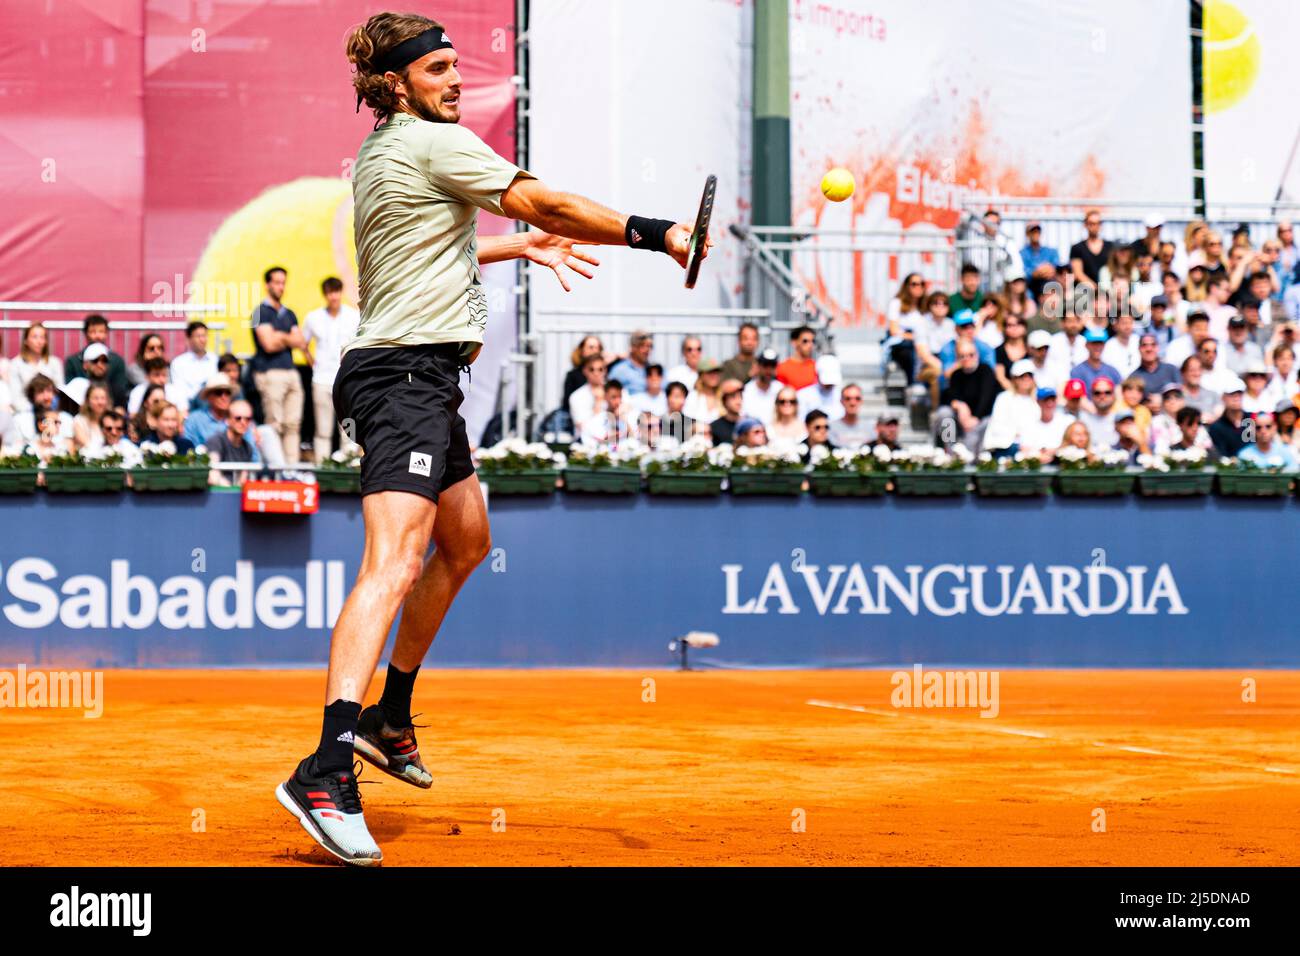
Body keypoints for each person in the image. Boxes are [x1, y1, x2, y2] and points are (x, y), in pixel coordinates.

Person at [277, 10, 704, 867]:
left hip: (422, 379)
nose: (454, 79)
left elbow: (430, 251)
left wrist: (522, 247)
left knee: (465, 543)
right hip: (402, 378)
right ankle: (325, 765)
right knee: (394, 563)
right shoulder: (438, 144)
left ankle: (390, 714)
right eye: (437, 69)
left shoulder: (383, 152)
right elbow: (545, 194)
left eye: (454, 66)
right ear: (396, 83)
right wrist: (656, 234)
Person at [250, 266, 307, 465]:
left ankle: (291, 470)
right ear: (267, 284)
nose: (281, 287)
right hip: (269, 372)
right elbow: (268, 344)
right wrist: (286, 337)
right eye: (277, 282)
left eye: (283, 282)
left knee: (293, 425)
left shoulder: (289, 313)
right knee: (274, 424)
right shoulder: (259, 312)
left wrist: (279, 336)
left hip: (291, 372)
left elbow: (300, 341)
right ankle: (276, 471)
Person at [303, 277, 362, 462]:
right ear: (325, 294)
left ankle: (351, 463)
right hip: (321, 379)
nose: (334, 296)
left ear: (340, 292)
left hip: (346, 379)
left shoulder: (353, 316)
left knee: (349, 425)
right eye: (330, 292)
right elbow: (303, 344)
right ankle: (323, 466)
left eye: (336, 292)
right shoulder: (314, 317)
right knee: (322, 428)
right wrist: (313, 363)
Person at [934, 341, 998, 452]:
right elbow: (950, 397)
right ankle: (949, 452)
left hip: (981, 419)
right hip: (961, 419)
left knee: (969, 448)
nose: (967, 358)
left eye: (970, 355)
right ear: (957, 358)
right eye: (962, 356)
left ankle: (969, 457)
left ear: (977, 355)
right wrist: (960, 405)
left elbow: (986, 398)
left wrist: (975, 418)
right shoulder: (956, 375)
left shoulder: (985, 371)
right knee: (944, 413)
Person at [63, 314, 129, 402]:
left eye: (101, 331)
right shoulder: (73, 361)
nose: (97, 336)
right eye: (93, 332)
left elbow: (120, 391)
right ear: (85, 364)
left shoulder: (117, 361)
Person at [982, 360, 1039, 455]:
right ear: (1014, 379)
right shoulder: (1004, 398)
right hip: (1005, 448)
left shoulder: (1036, 402)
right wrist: (1019, 439)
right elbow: (997, 426)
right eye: (1022, 376)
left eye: (1029, 375)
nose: (1026, 379)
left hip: (1029, 449)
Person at [7, 323, 64, 413]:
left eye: (42, 337)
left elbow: (59, 391)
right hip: (25, 412)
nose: (39, 341)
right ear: (25, 340)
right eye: (35, 337)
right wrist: (33, 410)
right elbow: (16, 397)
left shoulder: (54, 362)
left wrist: (50, 409)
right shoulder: (16, 364)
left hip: (51, 411)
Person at [205, 398, 262, 483]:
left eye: (248, 419)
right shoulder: (216, 441)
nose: (243, 422)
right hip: (218, 493)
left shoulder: (248, 447)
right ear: (227, 420)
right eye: (238, 418)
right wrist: (231, 489)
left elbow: (242, 481)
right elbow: (213, 476)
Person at [885, 273, 927, 384]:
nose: (918, 287)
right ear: (906, 286)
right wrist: (915, 337)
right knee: (910, 351)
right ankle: (913, 383)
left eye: (921, 284)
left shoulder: (925, 306)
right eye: (914, 284)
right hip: (902, 345)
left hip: (923, 344)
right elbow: (894, 330)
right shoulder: (896, 303)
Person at [14, 374, 75, 448]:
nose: (46, 397)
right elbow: (16, 449)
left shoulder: (66, 418)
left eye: (49, 391)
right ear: (32, 395)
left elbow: (70, 450)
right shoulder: (20, 420)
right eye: (40, 391)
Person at [170, 321, 219, 408]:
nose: (202, 340)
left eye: (204, 336)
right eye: (198, 336)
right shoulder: (178, 363)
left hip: (212, 404)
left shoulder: (215, 360)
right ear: (189, 339)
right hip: (189, 405)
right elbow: (179, 391)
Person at [1021, 387, 1073, 460]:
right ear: (1038, 402)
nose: (1050, 403)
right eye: (1046, 400)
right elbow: (1024, 450)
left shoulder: (1068, 420)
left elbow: (1073, 445)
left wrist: (1048, 452)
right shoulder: (1029, 424)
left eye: (1053, 399)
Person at [580, 380, 637, 447]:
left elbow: (635, 440)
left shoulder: (629, 417)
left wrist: (624, 420)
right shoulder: (597, 419)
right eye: (613, 397)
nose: (617, 401)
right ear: (605, 397)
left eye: (620, 397)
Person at [1069, 209, 1113, 287]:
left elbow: (1113, 269)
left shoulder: (1110, 246)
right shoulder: (1077, 248)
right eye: (1091, 223)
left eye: (1098, 223)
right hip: (1085, 291)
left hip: (1107, 291)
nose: (1095, 226)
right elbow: (1078, 273)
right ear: (1085, 224)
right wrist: (1096, 289)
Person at [1207, 378, 1248, 457]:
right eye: (1232, 394)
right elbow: (1221, 454)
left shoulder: (1252, 421)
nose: (1236, 397)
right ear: (1223, 397)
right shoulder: (1216, 427)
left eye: (1239, 393)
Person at [1019, 220, 1059, 301]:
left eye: (1038, 231)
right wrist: (1035, 273)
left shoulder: (1051, 251)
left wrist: (1048, 270)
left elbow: (1056, 268)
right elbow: (1022, 272)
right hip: (1030, 285)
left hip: (1048, 283)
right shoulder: (1021, 253)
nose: (1036, 234)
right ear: (1027, 234)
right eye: (1033, 231)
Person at [567, 352, 607, 426]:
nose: (596, 373)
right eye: (591, 369)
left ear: (605, 370)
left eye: (600, 369)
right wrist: (597, 403)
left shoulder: (616, 390)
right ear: (584, 371)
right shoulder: (577, 397)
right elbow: (583, 427)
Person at [741, 349, 780, 423]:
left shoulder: (780, 389)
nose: (769, 370)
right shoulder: (747, 390)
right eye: (765, 365)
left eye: (772, 366)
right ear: (758, 366)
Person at [561, 335, 603, 406]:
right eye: (591, 347)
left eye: (597, 348)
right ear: (582, 350)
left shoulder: (608, 371)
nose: (594, 350)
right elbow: (567, 402)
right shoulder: (573, 375)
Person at [608, 330, 653, 395]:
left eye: (649, 346)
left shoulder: (655, 370)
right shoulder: (620, 370)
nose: (647, 350)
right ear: (633, 347)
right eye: (642, 346)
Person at [1078, 377, 1119, 447]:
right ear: (1091, 395)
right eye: (1097, 393)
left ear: (1114, 395)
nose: (1102, 396)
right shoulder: (1081, 419)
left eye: (1107, 392)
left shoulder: (1122, 419)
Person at [992, 312, 1029, 390]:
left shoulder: (1031, 349)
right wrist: (1015, 392)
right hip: (1007, 392)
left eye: (1018, 324)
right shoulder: (999, 350)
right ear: (1005, 329)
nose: (1014, 328)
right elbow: (1000, 377)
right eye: (1009, 325)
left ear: (1025, 327)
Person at [828, 383, 872, 448]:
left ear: (862, 401)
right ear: (841, 401)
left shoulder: (871, 428)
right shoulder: (830, 428)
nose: (852, 403)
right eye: (848, 399)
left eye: (857, 398)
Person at [72, 383, 111, 452]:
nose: (100, 402)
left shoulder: (110, 420)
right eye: (96, 398)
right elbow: (88, 446)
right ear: (88, 401)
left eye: (103, 398)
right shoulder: (79, 421)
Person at [683, 358, 723, 423]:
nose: (714, 375)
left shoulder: (724, 396)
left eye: (717, 372)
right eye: (710, 372)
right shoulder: (693, 396)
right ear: (701, 375)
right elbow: (687, 422)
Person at [709, 379, 746, 445]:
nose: (738, 401)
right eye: (733, 397)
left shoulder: (749, 424)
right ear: (724, 400)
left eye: (740, 396)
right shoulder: (715, 427)